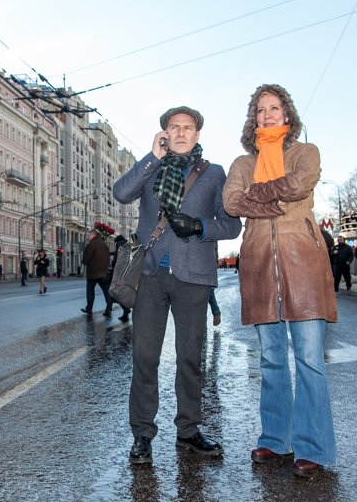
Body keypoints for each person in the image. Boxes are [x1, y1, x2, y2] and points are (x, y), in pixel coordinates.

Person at [114, 105, 242, 465]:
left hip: (193, 277)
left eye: (188, 127)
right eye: (175, 127)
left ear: (197, 134)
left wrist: (200, 226)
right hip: (152, 274)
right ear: (165, 133)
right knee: (144, 356)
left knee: (189, 356)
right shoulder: (151, 168)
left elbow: (232, 226)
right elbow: (121, 194)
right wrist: (152, 157)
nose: (182, 132)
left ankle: (188, 431)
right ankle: (142, 434)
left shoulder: (214, 173)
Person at [222, 84, 337, 478]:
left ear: (288, 115)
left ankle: (314, 447)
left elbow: (299, 185)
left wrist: (259, 197)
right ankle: (276, 439)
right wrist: (274, 198)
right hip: (257, 265)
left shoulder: (306, 152)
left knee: (309, 359)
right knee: (271, 358)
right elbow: (231, 201)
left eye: (274, 108)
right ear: (253, 118)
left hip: (302, 261)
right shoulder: (241, 162)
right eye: (260, 109)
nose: (268, 115)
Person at [80, 229, 111, 316]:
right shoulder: (104, 244)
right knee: (106, 290)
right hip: (103, 272)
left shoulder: (91, 244)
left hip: (93, 272)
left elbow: (86, 258)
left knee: (90, 290)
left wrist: (85, 262)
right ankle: (109, 308)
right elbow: (108, 257)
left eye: (89, 235)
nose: (88, 237)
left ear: (93, 235)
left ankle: (89, 308)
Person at [104, 234, 131, 322]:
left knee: (114, 292)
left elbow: (117, 259)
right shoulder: (127, 245)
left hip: (118, 273)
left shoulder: (119, 245)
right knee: (113, 292)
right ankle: (109, 310)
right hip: (126, 273)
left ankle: (125, 309)